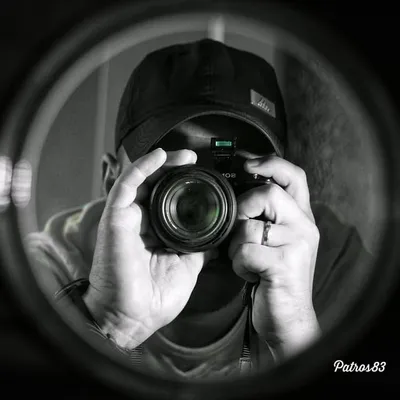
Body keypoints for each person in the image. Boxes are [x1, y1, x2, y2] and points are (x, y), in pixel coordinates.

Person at [26, 38, 371, 380]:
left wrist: (296, 335)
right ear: (112, 181)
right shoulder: (44, 271)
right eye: (173, 175)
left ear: (281, 183)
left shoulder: (330, 262)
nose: (208, 205)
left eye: (233, 174)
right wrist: (109, 321)